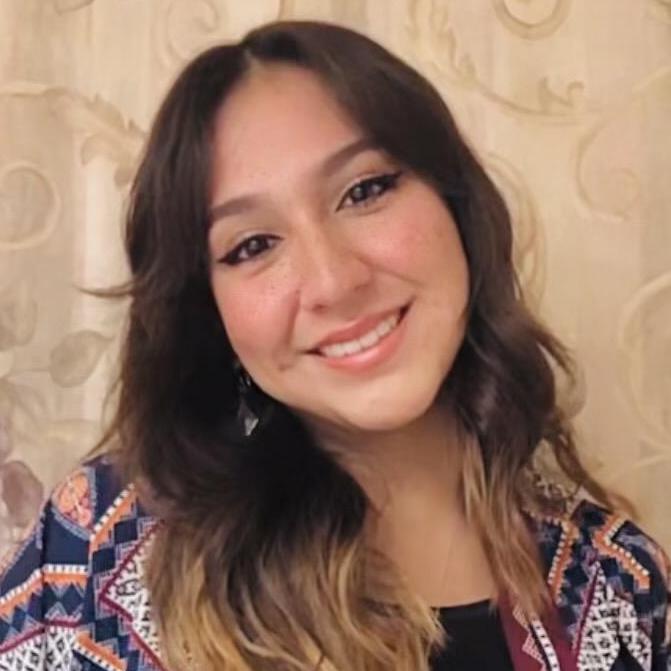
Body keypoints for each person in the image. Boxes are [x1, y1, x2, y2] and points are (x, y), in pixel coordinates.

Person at [0, 20, 668, 671]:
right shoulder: (97, 550)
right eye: (253, 245)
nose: (333, 281)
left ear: (456, 204)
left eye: (364, 191)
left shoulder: (618, 582)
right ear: (211, 314)